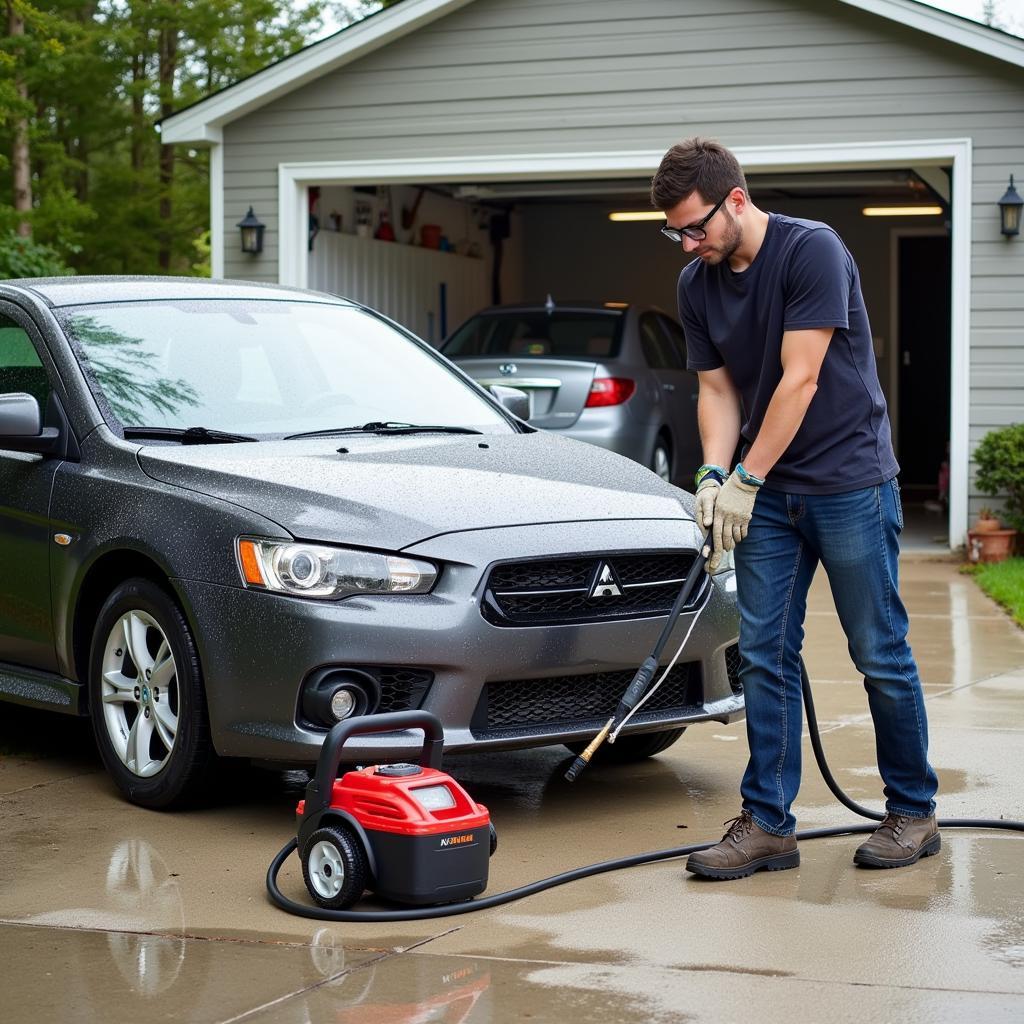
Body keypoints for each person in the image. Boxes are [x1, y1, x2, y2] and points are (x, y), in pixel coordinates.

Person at [650, 138, 939, 880]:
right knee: (766, 656)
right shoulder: (697, 282)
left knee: (878, 651)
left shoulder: (813, 251)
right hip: (768, 493)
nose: (689, 242)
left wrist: (746, 478)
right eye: (677, 231)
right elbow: (717, 390)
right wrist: (713, 475)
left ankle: (913, 810)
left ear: (736, 199)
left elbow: (799, 377)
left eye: (697, 225)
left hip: (848, 481)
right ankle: (769, 824)